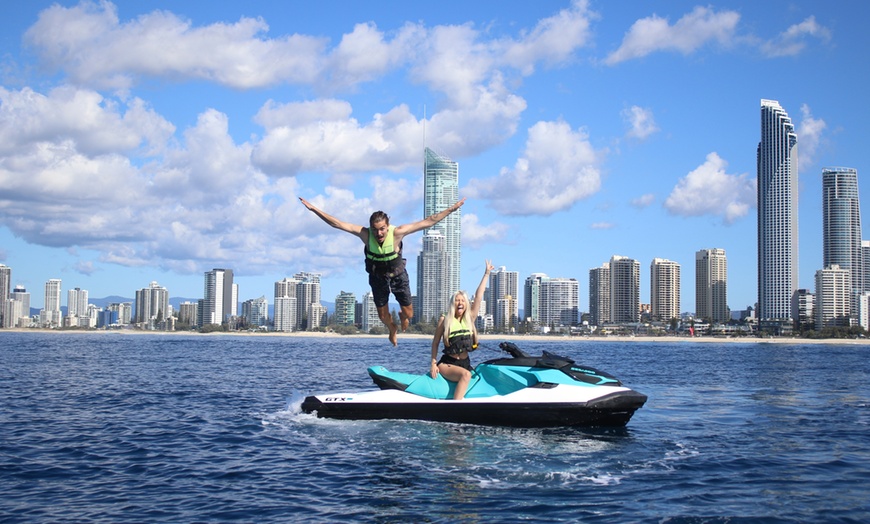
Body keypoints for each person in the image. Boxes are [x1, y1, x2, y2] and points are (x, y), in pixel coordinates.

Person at [299, 196, 465, 346]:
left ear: (388, 226)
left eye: (382, 229)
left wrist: (451, 209)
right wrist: (314, 209)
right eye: (375, 229)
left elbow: (429, 221)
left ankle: (403, 317)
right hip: (377, 277)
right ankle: (392, 328)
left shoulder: (398, 233)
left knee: (409, 313)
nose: (379, 233)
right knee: (383, 316)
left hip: (398, 276)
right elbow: (337, 224)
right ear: (371, 228)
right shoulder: (365, 234)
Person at [430, 259, 494, 400]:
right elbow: (435, 343)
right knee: (466, 375)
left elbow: (478, 296)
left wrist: (487, 273)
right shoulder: (444, 320)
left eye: (463, 300)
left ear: (466, 304)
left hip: (465, 363)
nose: (460, 303)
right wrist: (433, 364)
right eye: (457, 300)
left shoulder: (470, 318)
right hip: (447, 364)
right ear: (453, 303)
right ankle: (456, 407)